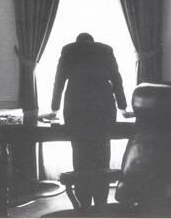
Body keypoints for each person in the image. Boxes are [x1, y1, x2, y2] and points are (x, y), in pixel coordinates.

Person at [50, 33, 129, 209]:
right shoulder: (106, 50)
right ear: (92, 41)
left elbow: (59, 82)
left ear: (78, 41)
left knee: (80, 156)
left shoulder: (68, 50)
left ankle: (83, 204)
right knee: (102, 156)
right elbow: (117, 80)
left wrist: (54, 109)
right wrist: (123, 107)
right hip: (103, 108)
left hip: (76, 109)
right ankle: (101, 203)